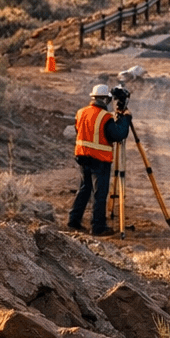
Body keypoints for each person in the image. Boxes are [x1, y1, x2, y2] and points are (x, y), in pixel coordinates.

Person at [67, 83, 129, 235]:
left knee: (84, 189)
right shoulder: (105, 117)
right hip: (99, 159)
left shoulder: (81, 112)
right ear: (106, 99)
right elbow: (118, 134)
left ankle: (73, 221)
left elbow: (79, 130)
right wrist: (125, 118)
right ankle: (98, 227)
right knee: (99, 194)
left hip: (82, 156)